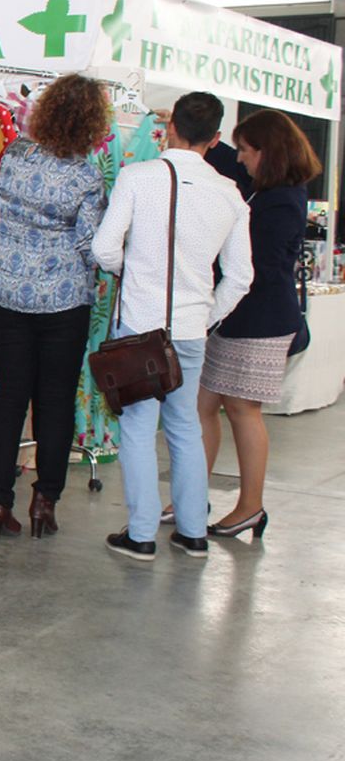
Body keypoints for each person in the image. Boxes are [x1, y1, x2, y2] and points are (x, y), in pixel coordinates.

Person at [92, 92, 253, 561]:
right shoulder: (229, 192)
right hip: (190, 329)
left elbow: (104, 248)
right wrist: (207, 315)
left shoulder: (138, 177)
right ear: (216, 138)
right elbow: (241, 276)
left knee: (139, 428)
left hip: (139, 326)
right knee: (185, 427)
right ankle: (192, 532)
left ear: (170, 128)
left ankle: (142, 534)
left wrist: (131, 275)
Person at [0, 74, 111, 540]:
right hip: (62, 299)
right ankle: (45, 501)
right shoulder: (86, 175)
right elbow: (91, 245)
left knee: (10, 397)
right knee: (54, 402)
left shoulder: (14, 155)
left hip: (7, 292)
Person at [195, 110, 319, 539]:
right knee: (204, 407)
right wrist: (203, 138)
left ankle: (250, 506)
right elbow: (228, 163)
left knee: (243, 410)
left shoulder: (281, 201)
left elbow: (257, 269)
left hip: (260, 322)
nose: (241, 158)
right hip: (237, 318)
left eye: (248, 150)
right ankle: (193, 495)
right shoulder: (268, 190)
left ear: (269, 152)